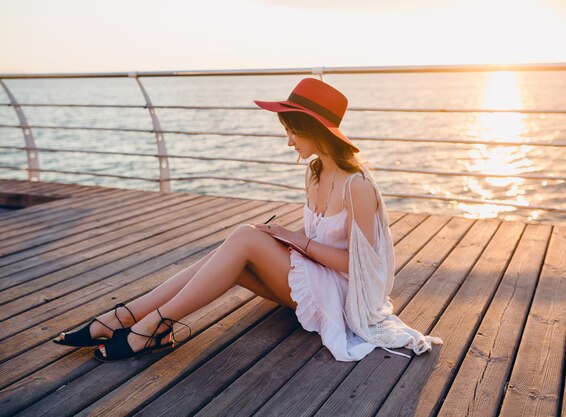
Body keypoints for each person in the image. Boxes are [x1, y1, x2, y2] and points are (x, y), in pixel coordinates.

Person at [53, 77, 442, 362]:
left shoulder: (357, 185)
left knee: (243, 237)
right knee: (230, 254)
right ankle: (126, 318)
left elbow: (362, 269)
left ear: (312, 130)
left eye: (291, 131)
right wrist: (283, 240)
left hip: (345, 299)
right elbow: (314, 243)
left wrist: (294, 239)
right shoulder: (317, 171)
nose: (289, 141)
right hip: (316, 284)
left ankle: (145, 326)